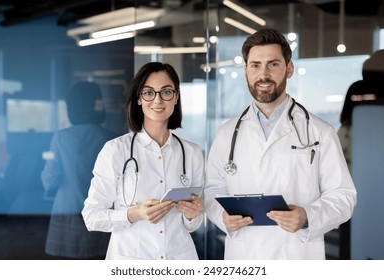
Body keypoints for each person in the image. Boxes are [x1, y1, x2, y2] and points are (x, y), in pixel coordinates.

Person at [204, 28, 357, 260]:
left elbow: (343, 197)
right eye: (255, 65)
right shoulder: (227, 134)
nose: (263, 74)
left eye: (273, 64)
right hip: (245, 256)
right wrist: (222, 216)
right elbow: (212, 190)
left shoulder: (319, 132)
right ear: (246, 70)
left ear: (289, 69)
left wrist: (307, 216)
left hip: (297, 256)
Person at [82, 62, 205, 260]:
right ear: (139, 98)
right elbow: (92, 217)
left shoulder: (192, 152)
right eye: (149, 93)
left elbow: (193, 224)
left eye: (166, 92)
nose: (157, 100)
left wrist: (194, 214)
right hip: (131, 259)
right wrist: (134, 214)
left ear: (176, 97)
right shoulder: (116, 150)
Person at [41, 81, 117, 259]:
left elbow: (50, 179)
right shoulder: (112, 139)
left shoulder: (61, 137)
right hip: (102, 212)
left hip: (66, 210)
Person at [337, 49, 384, 259]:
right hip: (356, 197)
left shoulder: (356, 95)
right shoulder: (357, 121)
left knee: (354, 248)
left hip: (355, 197)